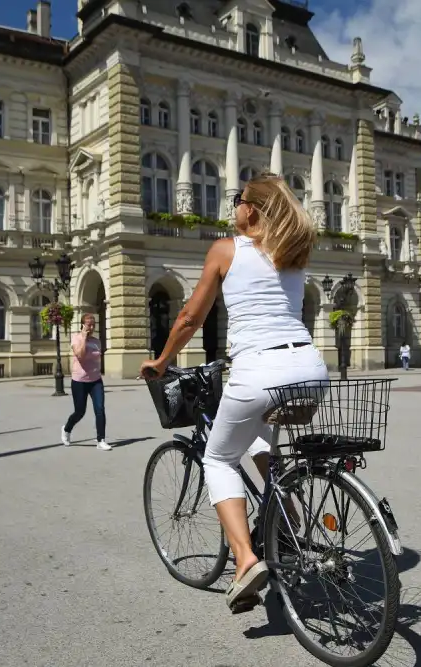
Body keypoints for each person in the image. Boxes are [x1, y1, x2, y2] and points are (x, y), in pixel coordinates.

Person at [139, 174, 328, 611]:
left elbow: (189, 317)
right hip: (310, 369)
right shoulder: (294, 253)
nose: (234, 208)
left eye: (238, 201)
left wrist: (161, 361)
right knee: (261, 439)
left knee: (218, 458)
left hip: (259, 369)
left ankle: (245, 561)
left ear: (253, 210)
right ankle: (286, 516)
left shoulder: (227, 249)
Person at [61, 313, 111, 451]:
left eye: (93, 324)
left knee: (100, 409)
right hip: (79, 381)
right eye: (89, 324)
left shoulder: (96, 341)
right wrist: (83, 337)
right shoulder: (76, 338)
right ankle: (66, 428)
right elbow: (81, 356)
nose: (92, 327)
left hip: (95, 381)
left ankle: (101, 440)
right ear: (83, 325)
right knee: (80, 412)